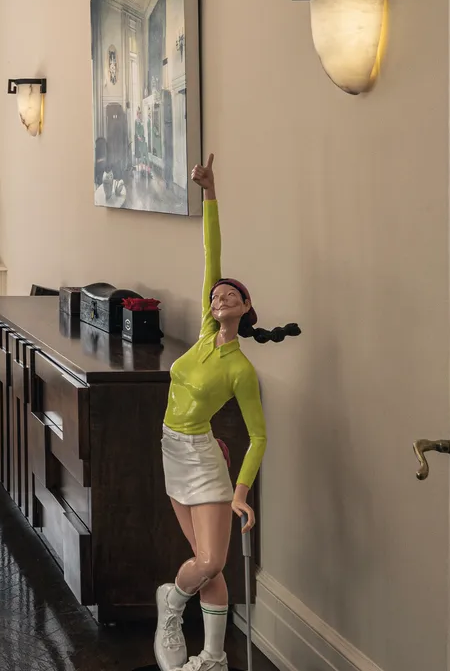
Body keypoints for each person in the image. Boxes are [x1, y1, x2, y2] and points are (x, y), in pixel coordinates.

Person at [154, 154, 266, 671]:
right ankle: (214, 658)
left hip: (202, 457)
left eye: (232, 295)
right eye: (218, 292)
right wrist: (210, 192)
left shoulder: (240, 368)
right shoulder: (202, 333)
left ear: (244, 310)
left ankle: (170, 605)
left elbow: (258, 436)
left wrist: (241, 493)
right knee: (209, 565)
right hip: (171, 449)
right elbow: (210, 253)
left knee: (210, 560)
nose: (221, 294)